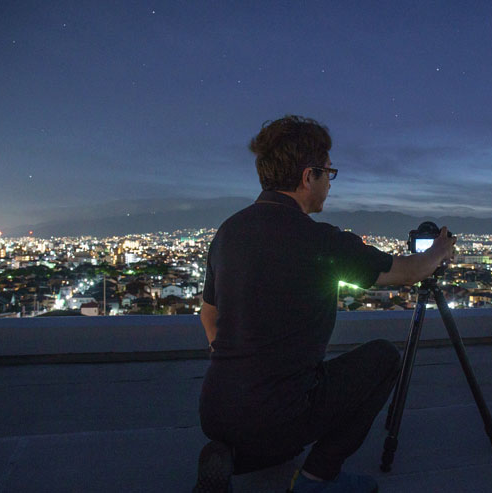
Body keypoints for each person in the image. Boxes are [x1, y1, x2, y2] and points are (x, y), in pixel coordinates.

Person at [195, 115, 455, 493]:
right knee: (383, 358)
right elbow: (406, 272)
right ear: (307, 176)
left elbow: (209, 314)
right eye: (328, 174)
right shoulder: (321, 242)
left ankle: (230, 454)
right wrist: (439, 250)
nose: (328, 185)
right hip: (279, 414)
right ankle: (318, 477)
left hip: (215, 407)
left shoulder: (228, 232)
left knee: (267, 423)